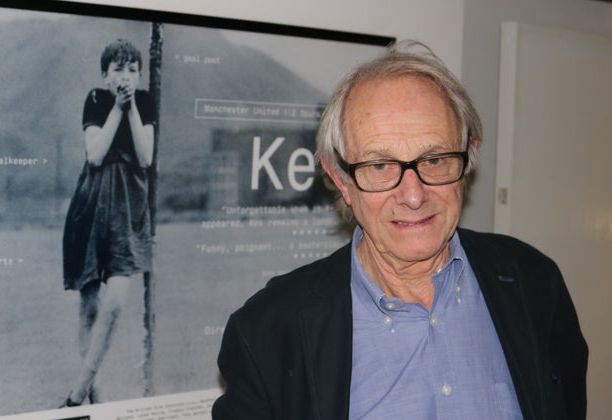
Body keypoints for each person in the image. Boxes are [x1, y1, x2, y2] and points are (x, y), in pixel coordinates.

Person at [212, 40, 588, 420]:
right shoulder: (268, 333)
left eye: (435, 158)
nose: (413, 195)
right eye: (379, 166)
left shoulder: (535, 283)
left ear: (469, 156)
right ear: (341, 179)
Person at [61, 38, 155, 406]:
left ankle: (78, 390)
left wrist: (130, 108)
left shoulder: (145, 102)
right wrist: (118, 106)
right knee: (89, 304)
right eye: (118, 69)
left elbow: (145, 157)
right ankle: (94, 397)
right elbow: (95, 154)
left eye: (132, 69)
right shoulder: (97, 100)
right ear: (105, 74)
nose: (126, 75)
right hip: (91, 204)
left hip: (128, 209)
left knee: (115, 300)